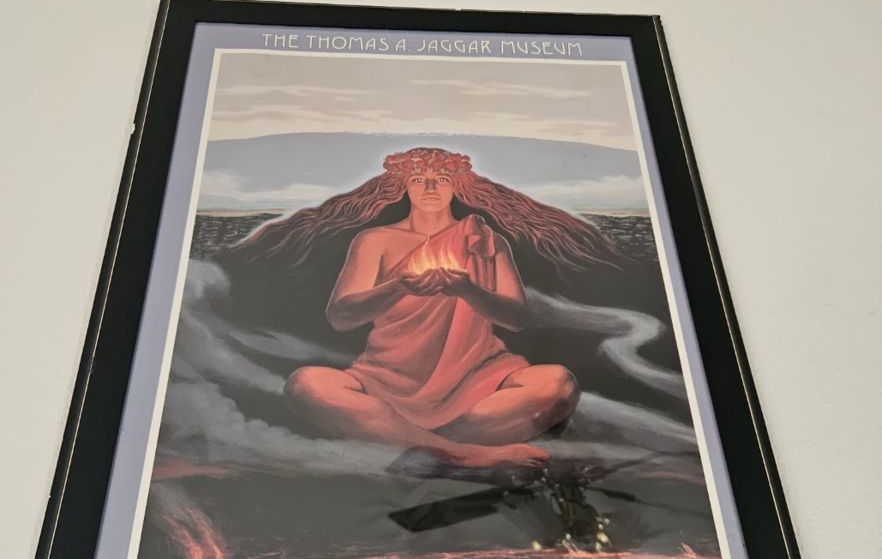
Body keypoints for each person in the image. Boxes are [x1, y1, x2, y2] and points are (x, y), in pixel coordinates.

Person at [226, 147, 620, 470]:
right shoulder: (375, 240)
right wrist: (397, 285)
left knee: (556, 385)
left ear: (457, 185)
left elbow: (515, 318)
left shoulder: (483, 239)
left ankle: (419, 448)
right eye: (418, 179)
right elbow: (342, 316)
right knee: (307, 385)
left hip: (477, 376)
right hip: (387, 377)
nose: (430, 187)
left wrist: (467, 288)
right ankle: (469, 456)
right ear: (404, 185)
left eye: (441, 179)